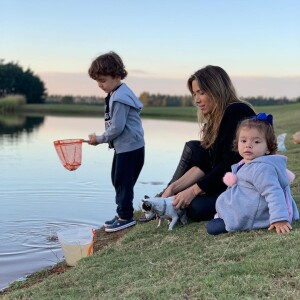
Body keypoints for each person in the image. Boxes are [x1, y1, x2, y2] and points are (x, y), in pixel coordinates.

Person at [139, 65, 256, 223]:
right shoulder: (216, 118)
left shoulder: (237, 111)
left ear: (217, 89)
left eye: (201, 92)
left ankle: (166, 201)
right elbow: (208, 163)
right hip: (225, 179)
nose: (197, 100)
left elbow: (230, 164)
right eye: (194, 94)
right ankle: (164, 198)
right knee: (194, 147)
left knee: (195, 208)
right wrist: (173, 188)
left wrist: (193, 191)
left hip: (243, 186)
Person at [206, 113, 299, 235]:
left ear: (268, 148)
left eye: (256, 142)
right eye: (243, 140)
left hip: (252, 215)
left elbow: (274, 192)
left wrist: (279, 219)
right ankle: (225, 214)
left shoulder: (262, 168)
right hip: (244, 205)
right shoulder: (245, 163)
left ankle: (228, 218)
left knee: (212, 228)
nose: (248, 145)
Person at [88, 51, 145, 232]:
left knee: (122, 181)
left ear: (117, 76)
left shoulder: (120, 97)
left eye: (103, 80)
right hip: (125, 147)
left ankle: (125, 216)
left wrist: (99, 139)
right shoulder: (116, 92)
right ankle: (122, 213)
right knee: (117, 179)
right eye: (97, 81)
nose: (100, 85)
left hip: (130, 148)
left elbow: (117, 127)